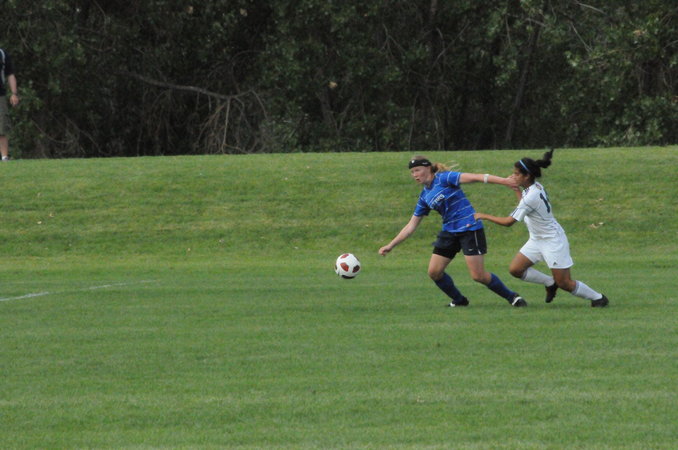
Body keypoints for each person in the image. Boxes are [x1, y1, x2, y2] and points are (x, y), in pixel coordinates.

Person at [378, 156, 527, 307]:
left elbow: (476, 177)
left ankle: (512, 297)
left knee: (478, 275)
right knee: (434, 272)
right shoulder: (424, 197)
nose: (415, 175)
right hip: (449, 231)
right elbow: (411, 225)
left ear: (428, 168)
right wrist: (391, 245)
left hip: (469, 228)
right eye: (412, 172)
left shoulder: (444, 178)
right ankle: (459, 300)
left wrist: (505, 181)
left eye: (417, 170)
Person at [473, 149, 609, 307]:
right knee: (516, 269)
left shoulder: (531, 196)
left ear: (527, 176)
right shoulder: (535, 187)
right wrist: (516, 189)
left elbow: (508, 222)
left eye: (516, 174)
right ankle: (550, 283)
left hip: (552, 240)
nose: (513, 176)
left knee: (564, 283)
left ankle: (598, 298)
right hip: (537, 239)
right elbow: (524, 204)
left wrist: (483, 215)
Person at [0, 48, 20, 161]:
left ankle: (4, 157)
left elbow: (10, 74)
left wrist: (14, 93)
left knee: (2, 128)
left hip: (0, 95)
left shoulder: (2, 55)